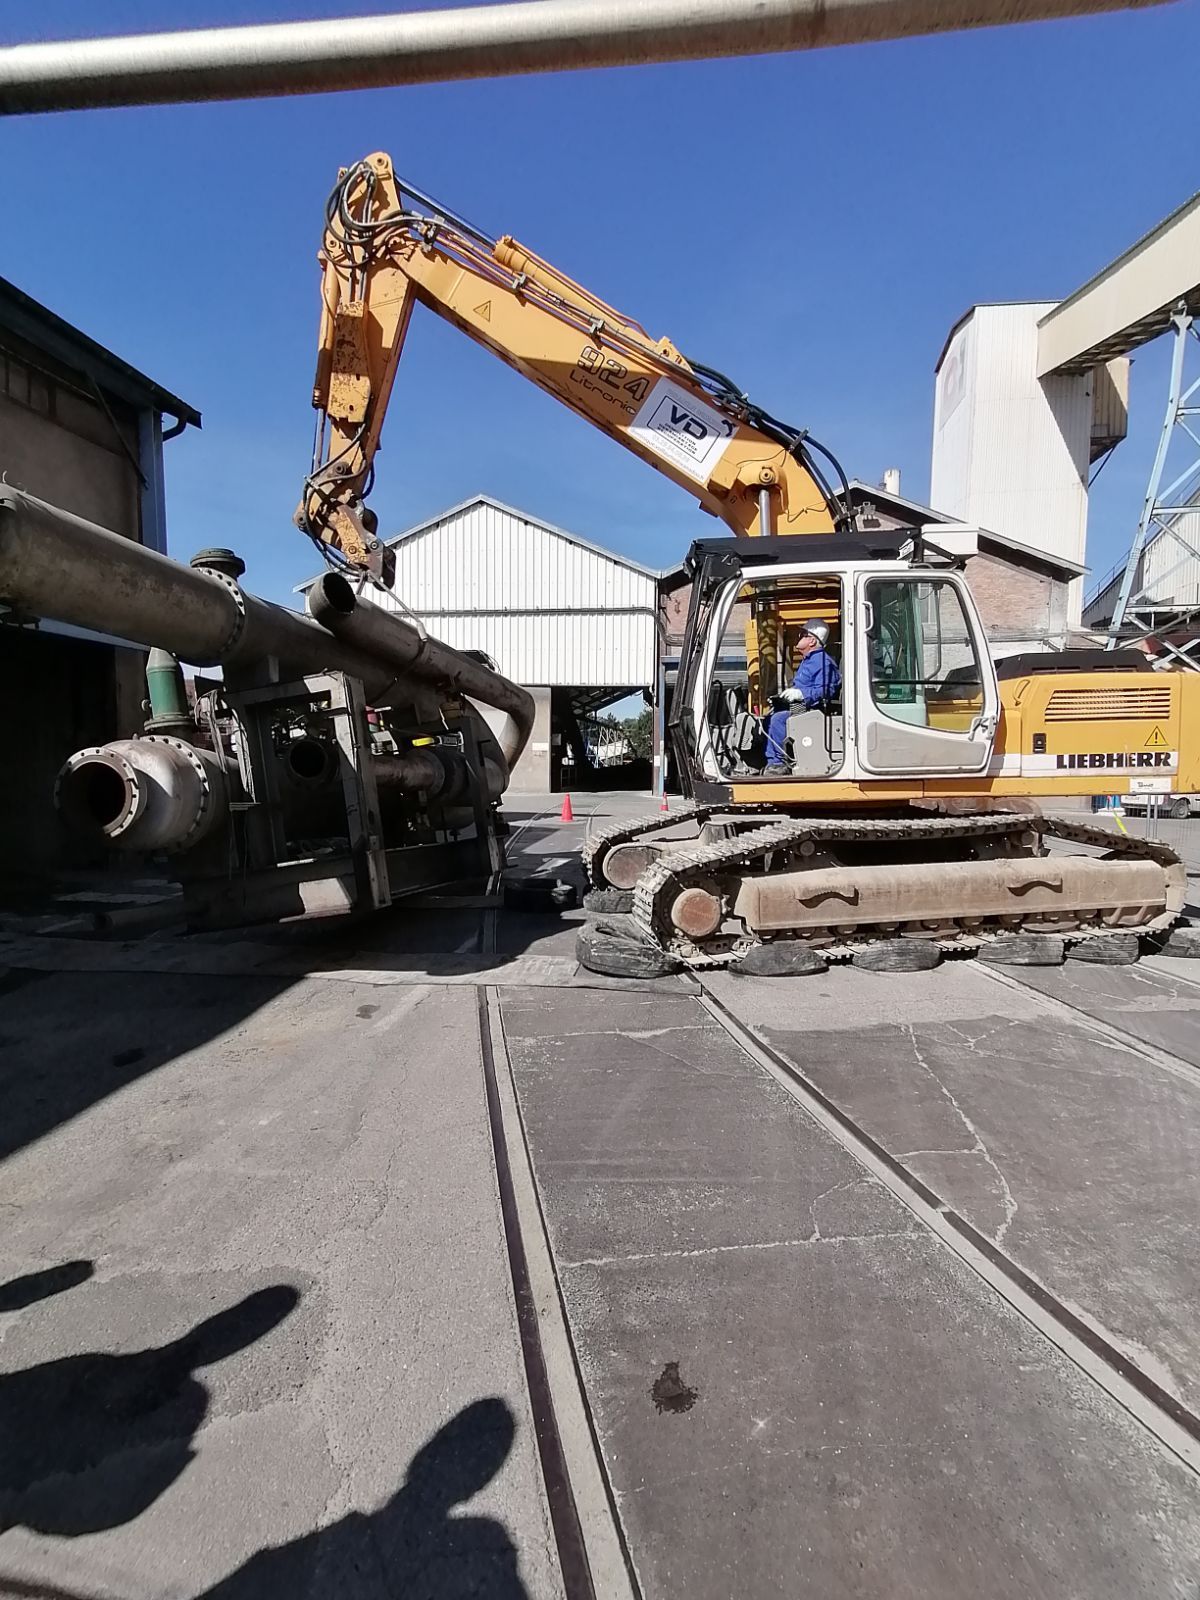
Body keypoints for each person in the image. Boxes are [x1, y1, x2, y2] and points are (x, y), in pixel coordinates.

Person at [764, 619, 841, 771]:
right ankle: (770, 761)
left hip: (813, 709)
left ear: (812, 640)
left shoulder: (823, 662)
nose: (799, 637)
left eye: (803, 634)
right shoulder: (809, 660)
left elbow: (826, 691)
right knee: (768, 718)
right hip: (801, 707)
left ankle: (779, 764)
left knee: (779, 720)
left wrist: (801, 693)